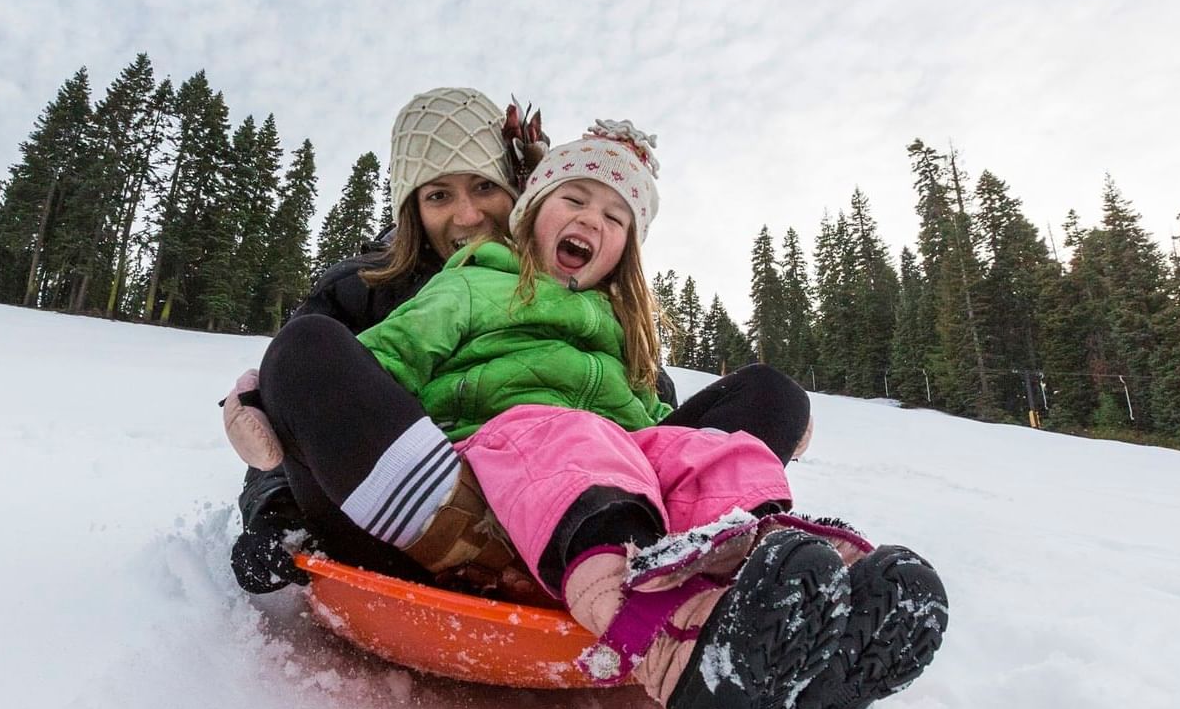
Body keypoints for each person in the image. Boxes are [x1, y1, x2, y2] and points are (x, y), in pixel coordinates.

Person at [235, 121, 946, 709]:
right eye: (573, 198)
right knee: (313, 352)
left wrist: (721, 440)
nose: (591, 220)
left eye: (614, 218)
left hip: (603, 484)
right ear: (530, 211)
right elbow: (383, 358)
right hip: (474, 486)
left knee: (714, 438)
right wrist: (281, 417)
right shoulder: (473, 281)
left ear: (626, 251)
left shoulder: (617, 326)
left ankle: (787, 609)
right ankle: (666, 638)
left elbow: (652, 427)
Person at [228, 89, 797, 594]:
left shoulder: (593, 303)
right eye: (438, 196)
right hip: (424, 504)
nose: (467, 213)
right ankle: (469, 538)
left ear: (520, 195)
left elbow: (641, 403)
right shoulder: (366, 290)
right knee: (307, 347)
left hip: (593, 500)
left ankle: (697, 553)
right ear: (410, 209)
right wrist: (275, 510)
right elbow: (307, 406)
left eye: (483, 187)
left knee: (767, 395)